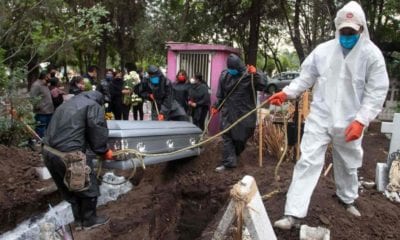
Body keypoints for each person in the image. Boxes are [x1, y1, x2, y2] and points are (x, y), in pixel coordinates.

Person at [270, 1, 389, 229]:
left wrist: (361, 120)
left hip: (350, 121)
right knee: (307, 161)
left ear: (361, 29)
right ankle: (292, 213)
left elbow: (376, 92)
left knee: (347, 163)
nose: (347, 36)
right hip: (321, 117)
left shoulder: (372, 56)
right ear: (337, 28)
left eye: (351, 32)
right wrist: (286, 93)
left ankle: (347, 199)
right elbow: (305, 77)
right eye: (343, 31)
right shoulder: (323, 51)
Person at [42, 90, 114, 230]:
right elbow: (97, 130)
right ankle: (89, 220)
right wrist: (104, 151)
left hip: (49, 152)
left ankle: (79, 220)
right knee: (88, 186)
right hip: (69, 155)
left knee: (70, 189)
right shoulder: (93, 105)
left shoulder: (66, 104)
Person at [212, 54, 268, 172]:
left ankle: (235, 155)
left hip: (244, 113)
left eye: (234, 68)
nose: (231, 71)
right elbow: (221, 95)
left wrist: (256, 73)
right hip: (228, 111)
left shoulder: (249, 75)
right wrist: (216, 106)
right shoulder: (224, 75)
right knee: (227, 136)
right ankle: (229, 163)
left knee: (241, 137)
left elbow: (263, 85)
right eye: (230, 68)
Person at [30, 71, 54, 138]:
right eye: (49, 76)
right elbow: (32, 97)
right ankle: (39, 143)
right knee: (40, 129)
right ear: (45, 77)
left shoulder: (45, 85)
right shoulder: (36, 85)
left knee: (48, 129)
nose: (50, 78)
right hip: (41, 113)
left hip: (49, 111)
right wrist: (39, 107)